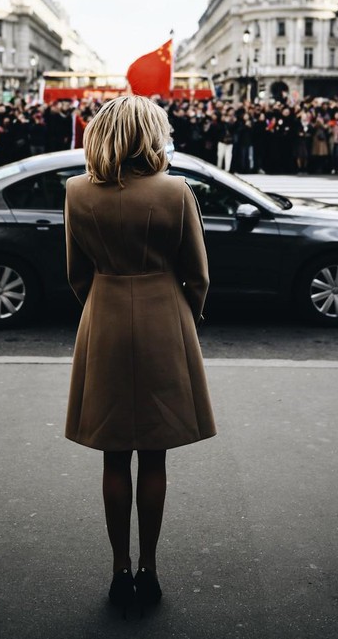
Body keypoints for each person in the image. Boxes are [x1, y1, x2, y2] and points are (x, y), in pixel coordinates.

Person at [64, 95, 216, 616]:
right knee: (155, 453)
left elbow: (76, 273)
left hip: (104, 315)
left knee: (113, 454)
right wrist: (180, 317)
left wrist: (103, 307)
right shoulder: (176, 191)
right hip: (162, 318)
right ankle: (149, 569)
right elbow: (197, 273)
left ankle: (118, 569)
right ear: (148, 134)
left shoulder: (77, 191)